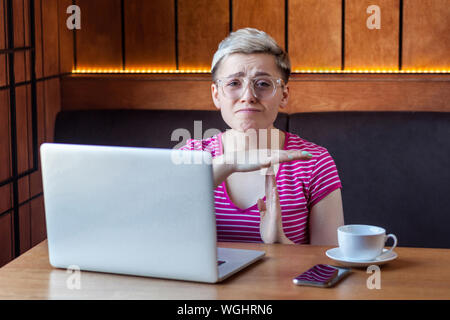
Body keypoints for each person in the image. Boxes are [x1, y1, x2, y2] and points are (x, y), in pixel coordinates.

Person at [179, 28, 344, 245]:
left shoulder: (314, 162)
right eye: (234, 83)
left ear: (284, 95)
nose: (248, 96)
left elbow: (327, 267)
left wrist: (280, 244)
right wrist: (230, 163)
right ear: (216, 95)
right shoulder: (190, 156)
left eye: (263, 84)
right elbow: (155, 235)